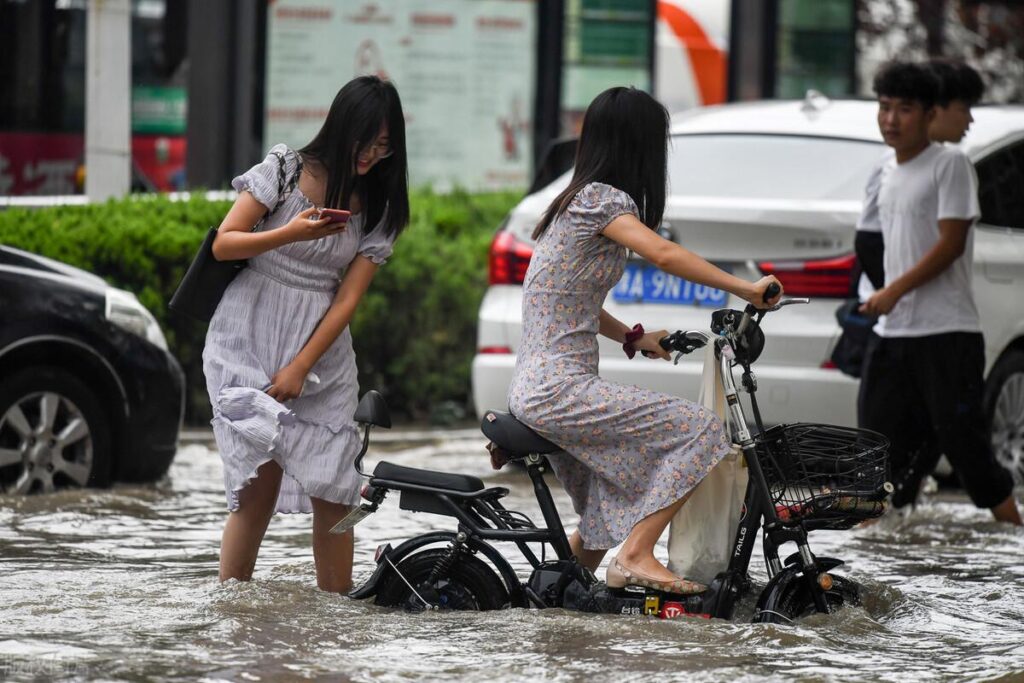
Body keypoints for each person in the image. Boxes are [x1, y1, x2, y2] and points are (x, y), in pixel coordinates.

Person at [507, 86, 782, 594]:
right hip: (557, 390)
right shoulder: (602, 200)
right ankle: (636, 554)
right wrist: (748, 287)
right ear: (643, 146)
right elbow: (665, 255)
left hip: (539, 386)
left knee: (598, 521)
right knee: (700, 431)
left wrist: (634, 337)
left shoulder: (572, 199)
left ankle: (540, 601)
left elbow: (572, 299)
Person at [204, 75, 410, 591]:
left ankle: (335, 621)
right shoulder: (285, 168)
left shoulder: (380, 205)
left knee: (339, 492)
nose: (371, 157)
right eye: (366, 143)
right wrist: (291, 231)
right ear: (342, 128)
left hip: (321, 348)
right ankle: (234, 614)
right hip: (248, 331)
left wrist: (301, 366)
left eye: (384, 148)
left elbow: (347, 299)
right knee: (258, 490)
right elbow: (224, 244)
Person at [857, 61, 1021, 524]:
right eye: (884, 107)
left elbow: (951, 244)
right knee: (875, 450)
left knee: (967, 449)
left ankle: (1013, 535)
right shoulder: (885, 170)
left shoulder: (949, 165)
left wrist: (893, 291)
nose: (890, 119)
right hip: (893, 336)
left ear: (929, 115)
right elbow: (872, 243)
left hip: (947, 334)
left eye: (904, 110)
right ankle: (875, 548)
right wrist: (880, 294)